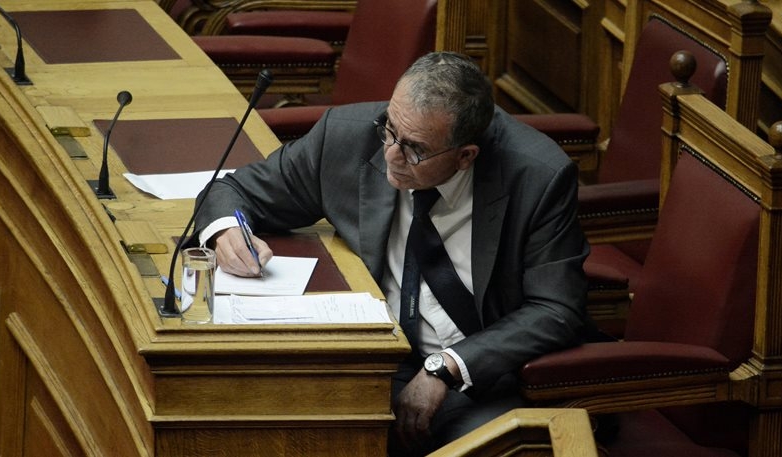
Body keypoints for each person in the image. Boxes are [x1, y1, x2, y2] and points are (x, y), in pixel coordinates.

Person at [192, 51, 590, 455]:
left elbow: (555, 308)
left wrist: (447, 367)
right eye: (390, 130)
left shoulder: (537, 176)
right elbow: (231, 190)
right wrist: (227, 231)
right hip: (377, 361)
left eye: (414, 149)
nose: (390, 155)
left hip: (480, 378)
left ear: (465, 155)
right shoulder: (348, 137)